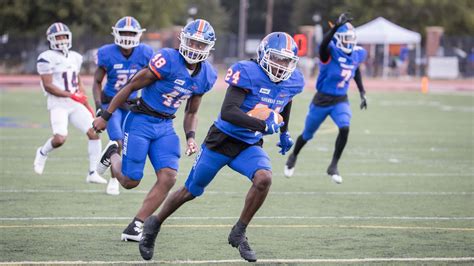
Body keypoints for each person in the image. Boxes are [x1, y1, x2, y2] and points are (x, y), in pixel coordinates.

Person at [139, 32, 305, 262]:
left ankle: (239, 232)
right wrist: (262, 124)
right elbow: (229, 111)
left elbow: (286, 99)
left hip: (248, 144)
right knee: (190, 191)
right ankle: (154, 224)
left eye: (286, 60)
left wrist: (284, 131)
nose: (281, 65)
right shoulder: (248, 72)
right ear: (264, 55)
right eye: (277, 58)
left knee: (264, 178)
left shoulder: (294, 80)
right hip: (222, 139)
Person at [92, 19, 217, 242]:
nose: (195, 48)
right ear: (183, 41)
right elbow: (130, 86)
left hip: (166, 126)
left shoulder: (206, 75)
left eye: (200, 44)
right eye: (192, 42)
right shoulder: (167, 59)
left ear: (208, 48)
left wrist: (190, 137)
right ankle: (112, 154)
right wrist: (106, 115)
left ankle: (136, 225)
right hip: (140, 120)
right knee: (130, 181)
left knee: (168, 177)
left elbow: (191, 112)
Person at [284, 13, 367, 184]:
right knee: (307, 135)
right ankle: (293, 156)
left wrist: (362, 91)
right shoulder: (329, 53)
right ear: (337, 39)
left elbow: (355, 69)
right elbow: (323, 44)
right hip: (321, 100)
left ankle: (333, 166)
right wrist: (336, 26)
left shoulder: (357, 54)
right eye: (345, 39)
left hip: (340, 100)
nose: (349, 42)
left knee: (345, 127)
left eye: (350, 39)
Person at [33, 22, 105, 184]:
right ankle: (42, 152)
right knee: (59, 139)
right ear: (51, 39)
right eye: (58, 37)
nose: (62, 39)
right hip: (58, 103)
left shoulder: (75, 57)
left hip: (75, 103)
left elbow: (77, 79)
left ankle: (93, 172)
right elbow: (49, 86)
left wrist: (84, 99)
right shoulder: (46, 58)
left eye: (64, 36)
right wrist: (72, 95)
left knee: (94, 132)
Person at [92, 16, 153, 196]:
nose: (127, 36)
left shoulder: (145, 53)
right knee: (117, 141)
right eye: (124, 32)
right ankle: (113, 180)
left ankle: (115, 169)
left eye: (131, 33)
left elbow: (153, 79)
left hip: (132, 105)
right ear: (116, 34)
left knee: (128, 143)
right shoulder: (107, 53)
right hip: (111, 103)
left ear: (138, 35)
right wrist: (98, 106)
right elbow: (96, 82)